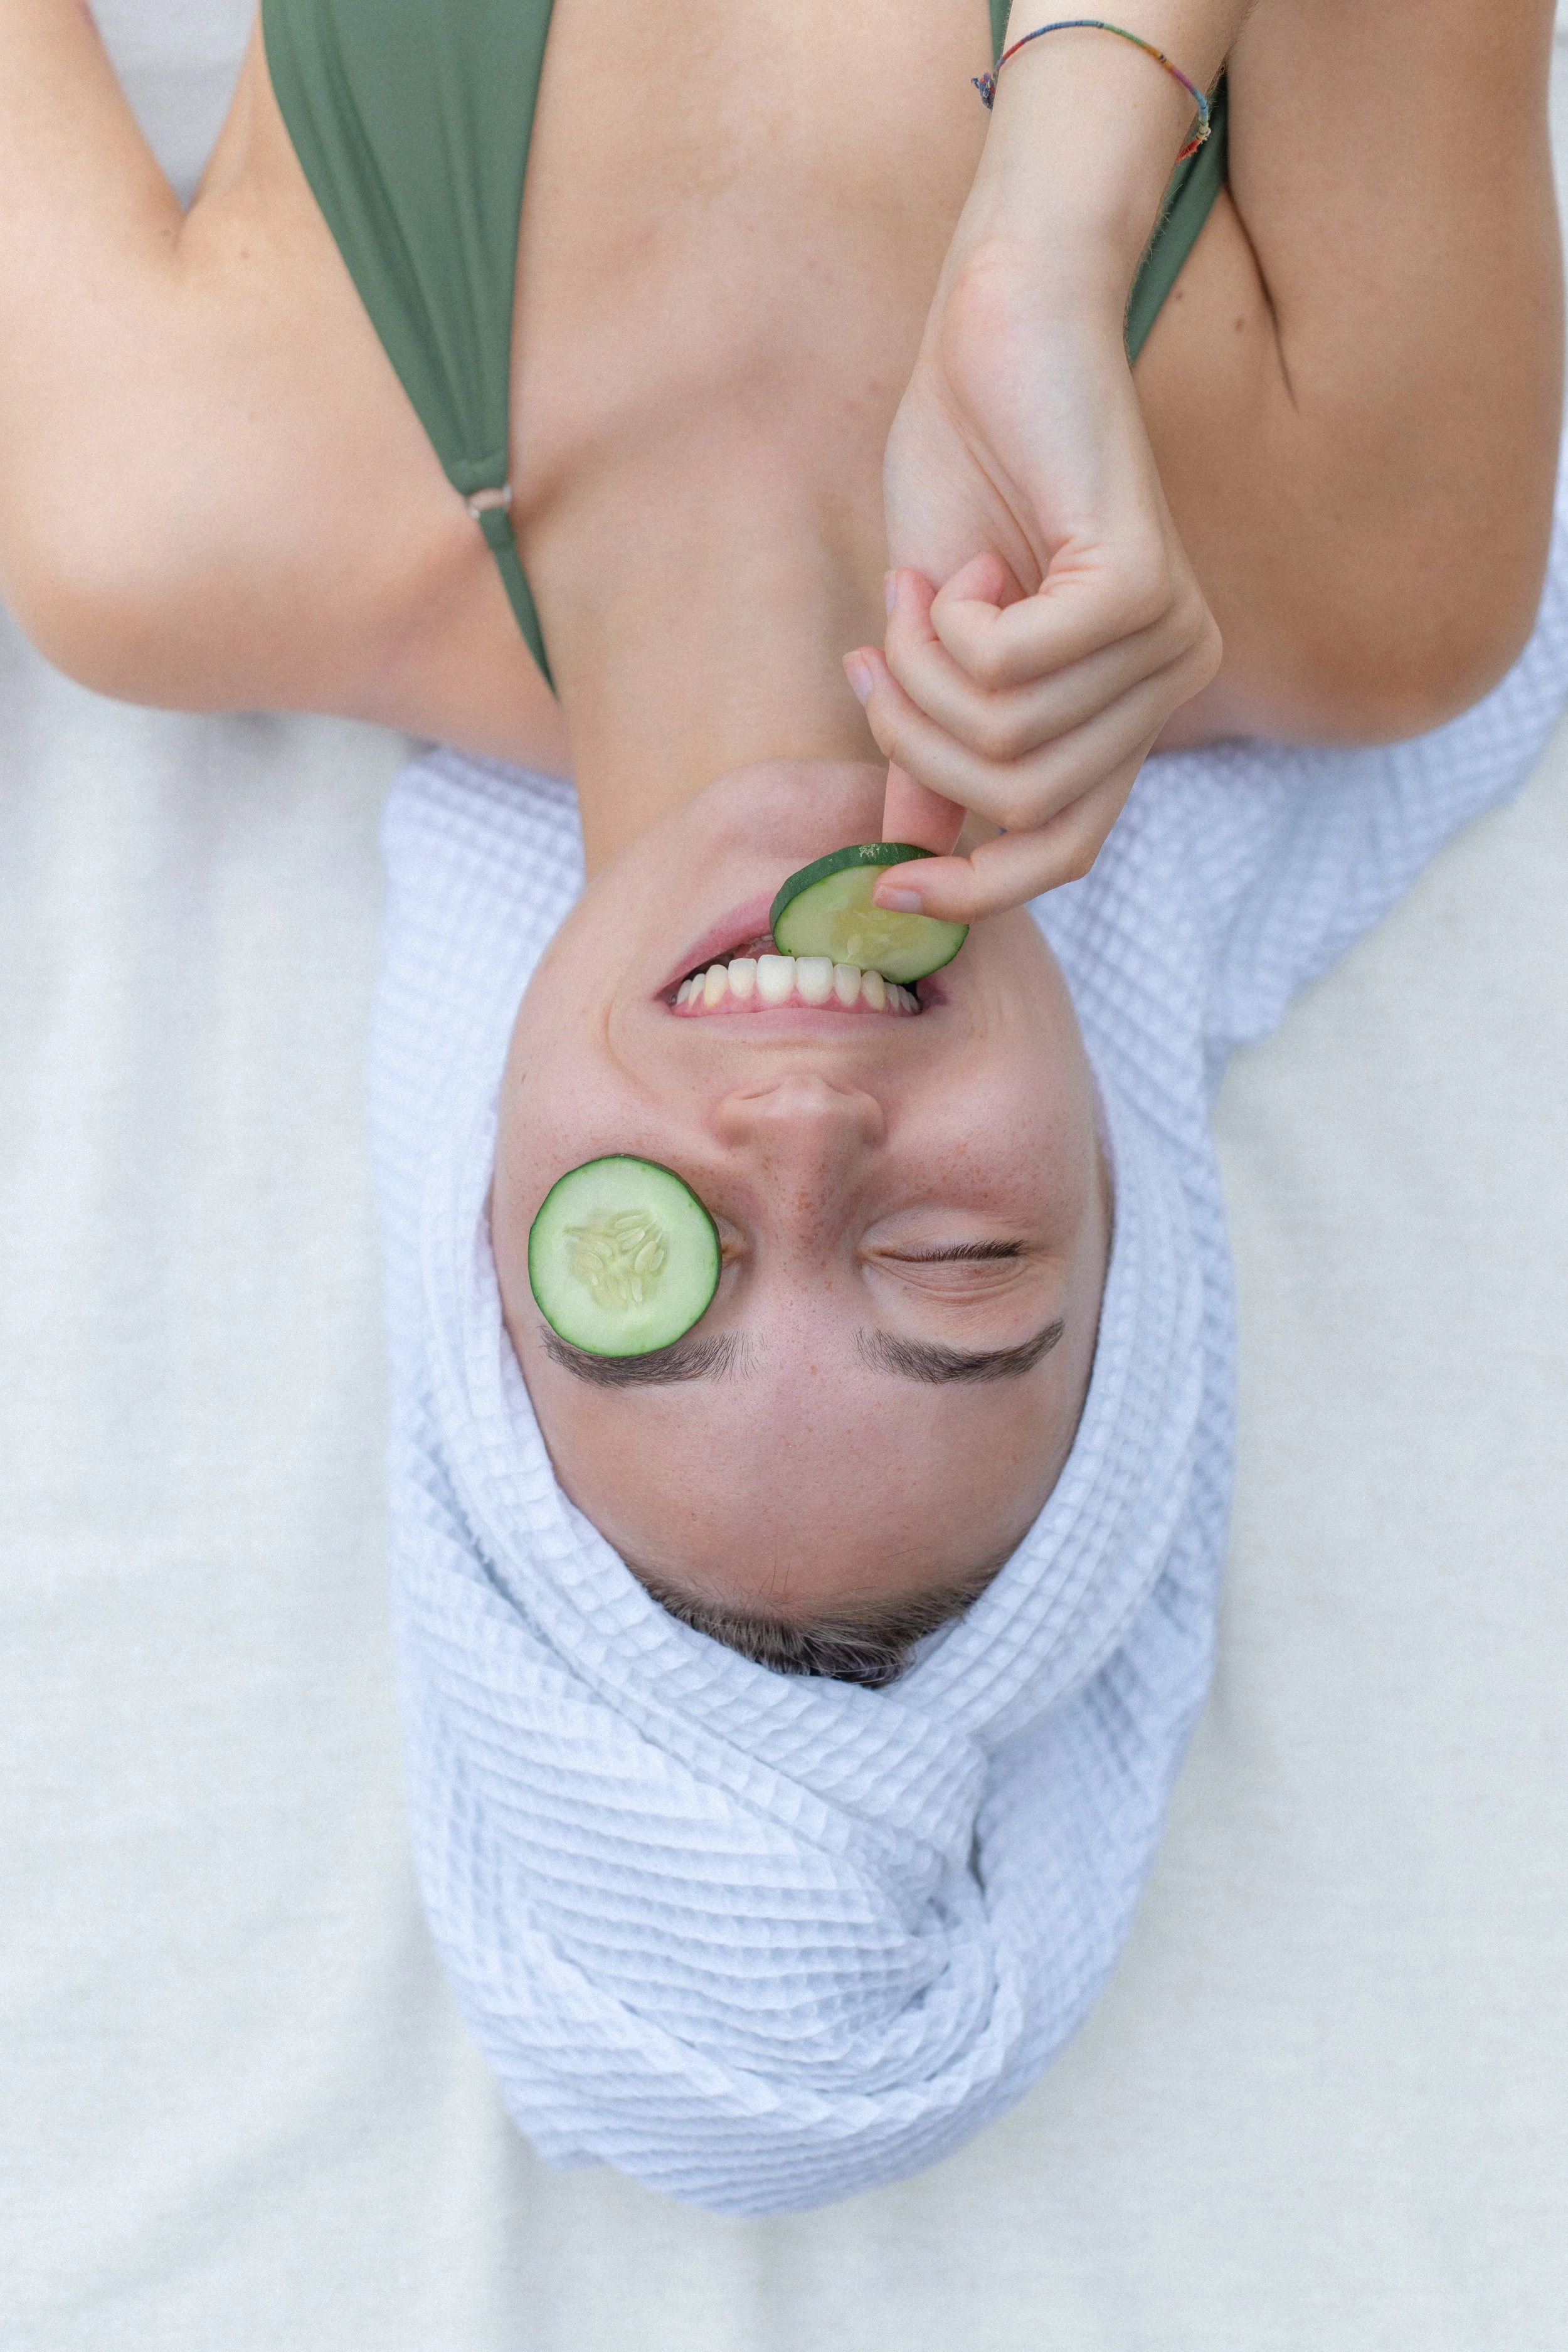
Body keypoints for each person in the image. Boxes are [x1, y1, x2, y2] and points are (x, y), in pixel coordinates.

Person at [1, 0, 1562, 2212]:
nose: (804, 1133)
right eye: (952, 1259)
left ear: (482, 1224)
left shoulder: (166, 511)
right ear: (1118, 1204)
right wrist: (1053, 216)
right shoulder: (1371, 559)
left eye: (646, 1274)